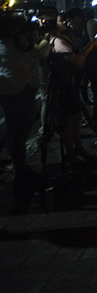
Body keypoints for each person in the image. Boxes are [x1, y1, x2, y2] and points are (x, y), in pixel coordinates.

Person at [0, 12, 51, 212]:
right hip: (20, 92)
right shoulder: (13, 47)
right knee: (18, 134)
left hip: (8, 92)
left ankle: (21, 170)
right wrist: (45, 39)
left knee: (15, 134)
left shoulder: (6, 45)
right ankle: (22, 174)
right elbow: (40, 53)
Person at [46, 9, 97, 168]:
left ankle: (78, 148)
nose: (65, 22)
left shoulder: (64, 37)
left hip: (72, 84)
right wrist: (92, 45)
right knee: (68, 122)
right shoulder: (57, 41)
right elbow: (77, 60)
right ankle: (71, 153)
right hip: (63, 87)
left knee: (76, 117)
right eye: (60, 20)